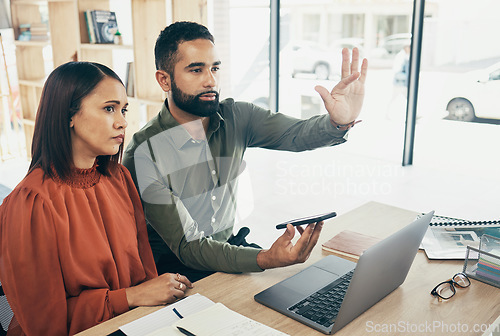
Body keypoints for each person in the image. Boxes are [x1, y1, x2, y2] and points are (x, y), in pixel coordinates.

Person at [122, 21, 368, 281]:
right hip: (177, 274)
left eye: (214, 68)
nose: (211, 81)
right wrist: (264, 258)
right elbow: (188, 246)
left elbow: (295, 135)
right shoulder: (144, 152)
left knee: (317, 284)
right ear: (164, 79)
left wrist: (338, 122)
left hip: (229, 250)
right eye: (196, 70)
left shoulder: (236, 115)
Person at [0, 61, 193, 336]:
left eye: (123, 109)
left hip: (135, 325)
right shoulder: (31, 202)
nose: (123, 121)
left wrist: (160, 291)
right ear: (69, 114)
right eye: (109, 108)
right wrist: (132, 296)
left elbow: (145, 275)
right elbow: (44, 324)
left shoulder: (119, 178)